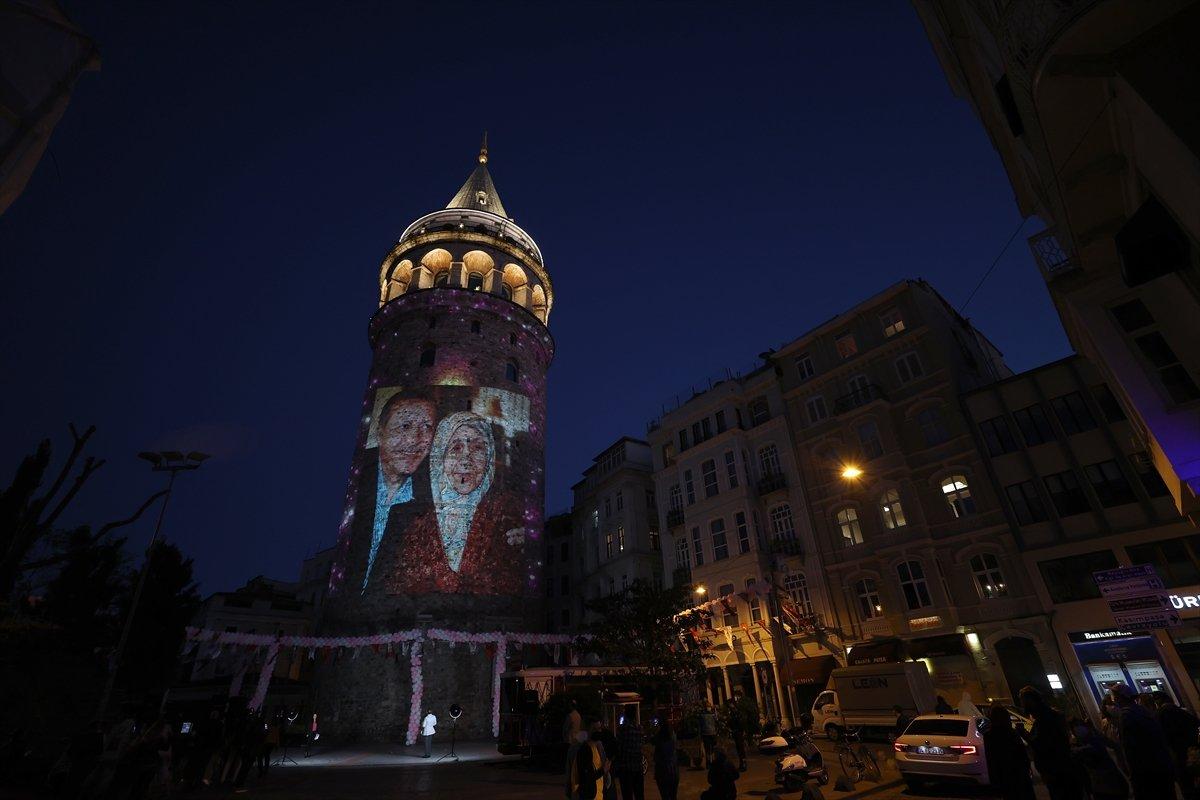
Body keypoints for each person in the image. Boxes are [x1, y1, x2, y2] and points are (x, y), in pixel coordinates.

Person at [389, 412, 527, 595]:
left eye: (478, 448)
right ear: (440, 457)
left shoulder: (507, 515)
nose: (465, 460)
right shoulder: (410, 520)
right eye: (455, 448)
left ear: (489, 459)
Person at [362, 395, 436, 591]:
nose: (415, 440)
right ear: (380, 432)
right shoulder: (362, 483)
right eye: (404, 427)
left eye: (427, 428)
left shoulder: (434, 494)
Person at [1110, 684, 1175, 800]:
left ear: (1120, 697)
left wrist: (1132, 772)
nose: (1114, 700)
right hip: (1161, 764)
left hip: (1145, 770)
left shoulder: (1126, 715)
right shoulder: (1142, 710)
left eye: (1114, 697)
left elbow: (1129, 747)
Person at [1017, 686, 1083, 800]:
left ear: (1030, 701)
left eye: (1023, 701)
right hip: (1060, 768)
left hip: (1056, 770)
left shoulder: (1045, 718)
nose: (1022, 706)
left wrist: (1023, 734)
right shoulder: (1046, 716)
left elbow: (1042, 745)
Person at [1153, 691, 1200, 800]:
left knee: (1185, 782)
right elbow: (1195, 723)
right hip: (1189, 750)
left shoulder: (1161, 713)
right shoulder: (1180, 711)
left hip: (1176, 752)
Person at [983, 705, 1036, 800]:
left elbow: (991, 759)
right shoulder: (1011, 732)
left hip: (1004, 775)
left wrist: (994, 780)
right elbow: (1022, 753)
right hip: (1018, 773)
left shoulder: (989, 736)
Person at [1069, 717, 1128, 800]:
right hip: (1102, 789)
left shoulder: (1094, 739)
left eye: (1079, 725)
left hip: (1113, 786)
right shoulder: (1079, 747)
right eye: (1075, 727)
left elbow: (1112, 746)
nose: (1078, 728)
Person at [614, 717, 645, 800]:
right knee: (639, 795)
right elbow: (642, 745)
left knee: (627, 795)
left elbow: (618, 747)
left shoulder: (622, 729)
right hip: (638, 767)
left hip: (626, 767)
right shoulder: (640, 728)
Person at [568, 731, 604, 800]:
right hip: (591, 793)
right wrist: (603, 771)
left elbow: (572, 773)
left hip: (588, 792)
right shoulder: (589, 750)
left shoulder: (575, 750)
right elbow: (588, 776)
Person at [652, 720, 679, 800]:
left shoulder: (659, 738)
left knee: (665, 796)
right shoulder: (672, 735)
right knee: (673, 796)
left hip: (662, 770)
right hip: (673, 769)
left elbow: (652, 741)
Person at [698, 702, 718, 767]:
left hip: (708, 733)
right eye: (708, 706)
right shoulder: (709, 715)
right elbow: (716, 720)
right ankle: (710, 761)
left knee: (709, 748)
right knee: (710, 748)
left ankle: (709, 761)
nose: (708, 708)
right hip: (709, 733)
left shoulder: (703, 715)